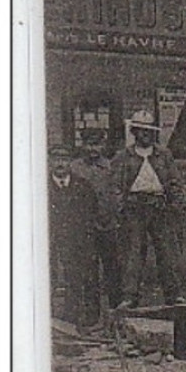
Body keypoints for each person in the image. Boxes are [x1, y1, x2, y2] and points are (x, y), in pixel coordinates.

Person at [112, 109, 184, 308]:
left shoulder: (164, 155)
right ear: (134, 132)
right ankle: (130, 296)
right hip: (134, 207)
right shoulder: (123, 156)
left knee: (166, 251)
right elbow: (116, 186)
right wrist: (121, 210)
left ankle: (173, 294)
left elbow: (174, 182)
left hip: (159, 206)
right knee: (134, 252)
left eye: (149, 131)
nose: (146, 134)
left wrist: (176, 206)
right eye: (141, 130)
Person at [70, 128, 122, 320]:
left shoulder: (109, 167)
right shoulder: (75, 168)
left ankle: (116, 313)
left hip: (108, 226)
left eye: (97, 144)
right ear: (83, 145)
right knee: (89, 271)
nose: (93, 149)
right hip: (85, 228)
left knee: (113, 269)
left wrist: (114, 217)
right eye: (90, 144)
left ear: (103, 145)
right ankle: (92, 315)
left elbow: (116, 193)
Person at [47, 144, 99, 325]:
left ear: (70, 162)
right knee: (49, 278)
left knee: (78, 277)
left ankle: (78, 318)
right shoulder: (39, 187)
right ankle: (51, 320)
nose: (60, 163)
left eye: (64, 159)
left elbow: (92, 212)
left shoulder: (83, 186)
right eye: (56, 159)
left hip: (77, 239)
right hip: (50, 240)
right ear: (50, 162)